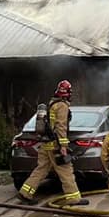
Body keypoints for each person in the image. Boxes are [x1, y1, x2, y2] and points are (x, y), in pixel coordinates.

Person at [18, 79, 89, 207]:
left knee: (41, 169)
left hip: (46, 144)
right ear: (67, 93)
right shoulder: (62, 106)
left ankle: (25, 193)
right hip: (56, 145)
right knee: (66, 170)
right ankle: (73, 198)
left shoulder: (52, 104)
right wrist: (63, 146)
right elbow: (61, 126)